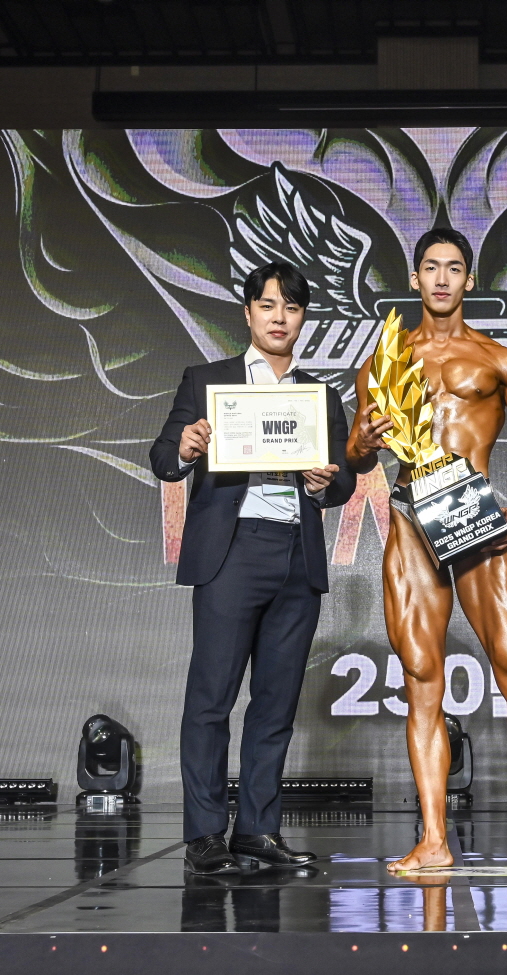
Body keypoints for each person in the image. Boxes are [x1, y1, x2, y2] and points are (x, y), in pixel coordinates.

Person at [347, 227, 507, 873]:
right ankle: (433, 838)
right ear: (415, 278)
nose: (443, 278)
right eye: (431, 267)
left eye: (454, 268)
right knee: (422, 675)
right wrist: (362, 440)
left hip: (476, 517)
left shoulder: (499, 360)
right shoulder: (386, 361)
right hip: (412, 515)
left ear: (470, 280)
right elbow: (356, 454)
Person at [150, 262, 357, 876]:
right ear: (248, 314)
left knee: (275, 704)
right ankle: (205, 834)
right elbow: (162, 456)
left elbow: (344, 480)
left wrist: (323, 482)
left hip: (295, 555)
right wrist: (186, 448)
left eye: (290, 307)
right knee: (211, 698)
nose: (278, 317)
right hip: (231, 551)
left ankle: (257, 830)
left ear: (302, 318)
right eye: (267, 305)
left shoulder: (321, 395)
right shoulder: (207, 381)